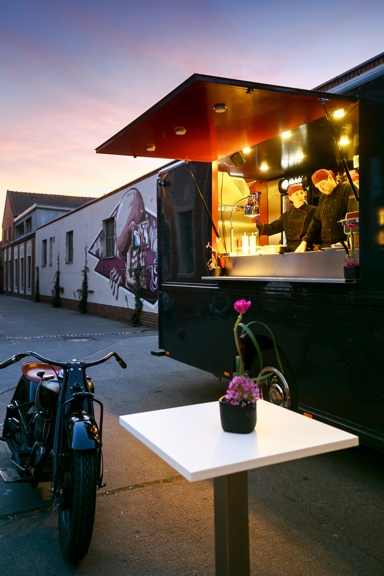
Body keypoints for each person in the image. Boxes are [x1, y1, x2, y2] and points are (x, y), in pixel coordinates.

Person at [295, 169, 359, 252]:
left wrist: (353, 243)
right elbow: (316, 222)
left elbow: (353, 217)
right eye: (318, 187)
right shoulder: (322, 197)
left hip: (344, 246)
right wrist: (305, 242)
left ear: (330, 178)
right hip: (326, 247)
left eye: (322, 184)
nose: (321, 189)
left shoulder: (347, 189)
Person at [255, 184, 318, 252]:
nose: (300, 196)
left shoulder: (313, 210)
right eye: (296, 194)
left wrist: (319, 244)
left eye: (301, 193)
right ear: (290, 197)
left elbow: (317, 228)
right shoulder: (286, 215)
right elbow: (272, 228)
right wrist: (253, 227)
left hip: (307, 248)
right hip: (291, 250)